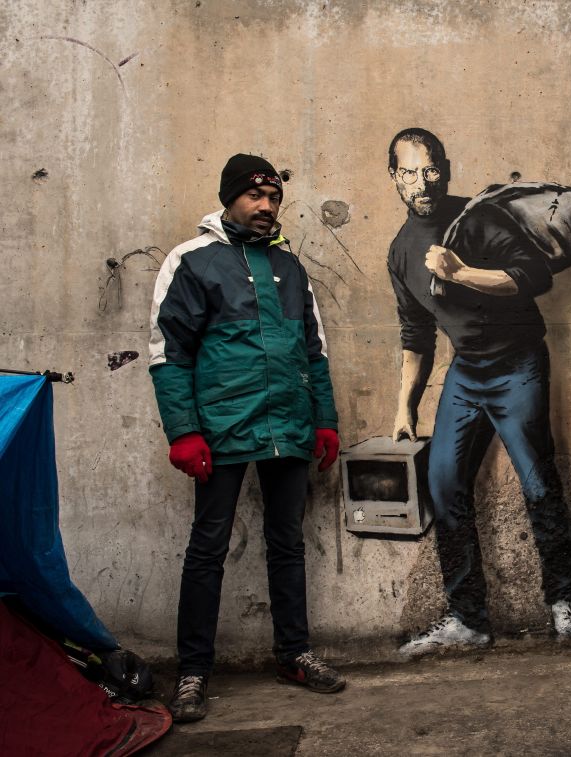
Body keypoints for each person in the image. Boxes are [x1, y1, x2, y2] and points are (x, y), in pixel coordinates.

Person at [148, 154, 345, 723]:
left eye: (275, 199)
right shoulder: (190, 260)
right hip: (222, 430)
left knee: (287, 541)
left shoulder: (290, 266)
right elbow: (169, 352)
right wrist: (184, 432)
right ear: (230, 197)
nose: (266, 208)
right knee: (207, 549)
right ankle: (192, 672)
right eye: (256, 197)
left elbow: (314, 350)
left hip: (288, 426)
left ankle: (294, 655)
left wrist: (324, 420)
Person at [386, 128, 571, 656]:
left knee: (538, 482)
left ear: (446, 169)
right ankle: (467, 620)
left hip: (518, 363)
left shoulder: (478, 217)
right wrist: (404, 408)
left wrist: (462, 272)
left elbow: (533, 278)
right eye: (409, 171)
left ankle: (567, 605)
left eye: (430, 168)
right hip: (467, 373)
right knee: (443, 484)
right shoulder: (401, 251)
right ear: (395, 178)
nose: (422, 181)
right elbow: (415, 335)